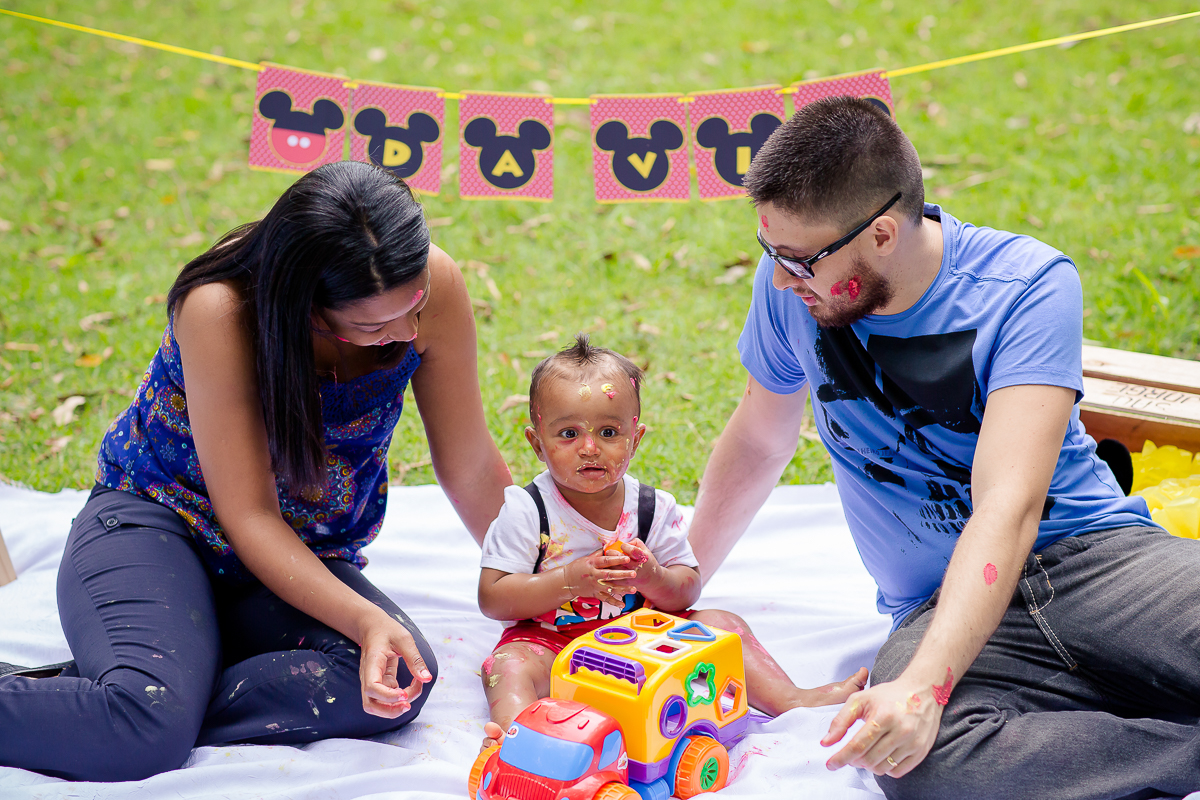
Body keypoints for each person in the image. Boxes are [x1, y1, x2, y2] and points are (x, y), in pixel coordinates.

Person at [686, 95, 1200, 799]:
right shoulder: (792, 291)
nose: (781, 277)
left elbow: (1009, 504)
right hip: (936, 609)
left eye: (800, 259)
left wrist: (924, 688)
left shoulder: (1026, 285)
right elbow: (758, 436)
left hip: (1097, 564)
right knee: (913, 761)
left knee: (916, 715)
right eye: (769, 251)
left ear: (883, 235)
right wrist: (684, 573)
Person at [0, 161, 512, 782]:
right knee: (143, 736)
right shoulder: (220, 310)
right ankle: (152, 701)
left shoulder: (427, 285)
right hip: (160, 526)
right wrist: (365, 617)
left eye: (416, 307)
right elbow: (248, 515)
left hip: (295, 556)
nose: (408, 332)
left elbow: (469, 460)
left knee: (397, 679)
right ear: (308, 311)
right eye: (375, 326)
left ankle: (161, 689)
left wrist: (551, 569)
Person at [475, 335, 868, 750]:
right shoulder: (528, 511)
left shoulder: (651, 509)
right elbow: (493, 598)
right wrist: (571, 581)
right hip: (553, 647)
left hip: (646, 646)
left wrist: (653, 576)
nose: (589, 448)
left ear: (636, 438)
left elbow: (687, 590)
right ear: (537, 443)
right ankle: (518, 741)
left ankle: (790, 699)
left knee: (721, 624)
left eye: (609, 432)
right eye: (568, 434)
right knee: (507, 664)